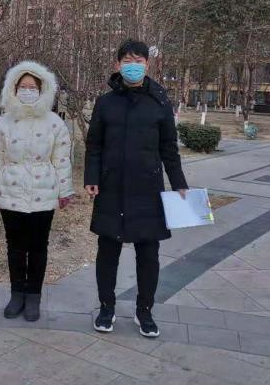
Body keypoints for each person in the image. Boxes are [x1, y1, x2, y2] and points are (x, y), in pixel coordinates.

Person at [84, 40, 189, 338]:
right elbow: (94, 145)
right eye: (127, 61)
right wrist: (92, 176)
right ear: (117, 65)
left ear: (147, 65)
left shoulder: (160, 101)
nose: (133, 66)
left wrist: (179, 182)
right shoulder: (105, 103)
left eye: (139, 60)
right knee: (107, 252)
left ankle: (145, 311)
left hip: (148, 189)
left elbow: (168, 147)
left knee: (148, 255)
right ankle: (106, 308)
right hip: (111, 188)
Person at [0, 61, 74, 322]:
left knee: (38, 246)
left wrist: (65, 190)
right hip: (10, 190)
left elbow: (62, 159)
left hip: (44, 193)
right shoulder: (4, 123)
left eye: (33, 87)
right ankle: (17, 294)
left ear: (42, 90)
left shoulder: (54, 123)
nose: (28, 91)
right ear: (13, 89)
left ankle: (33, 295)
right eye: (23, 86)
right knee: (15, 246)